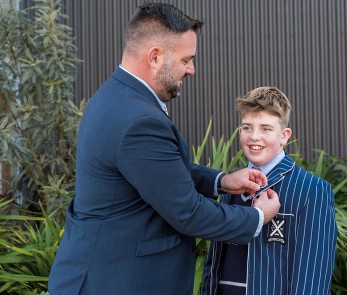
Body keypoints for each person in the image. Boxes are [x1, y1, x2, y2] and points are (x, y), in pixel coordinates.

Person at [48, 3, 281, 295]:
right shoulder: (139, 120)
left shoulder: (115, 96)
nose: (192, 70)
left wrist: (220, 181)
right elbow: (188, 213)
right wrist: (257, 217)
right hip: (120, 281)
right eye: (186, 60)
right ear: (155, 56)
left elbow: (155, 172)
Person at [201, 87, 338, 295]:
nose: (255, 137)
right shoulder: (231, 185)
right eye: (247, 128)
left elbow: (313, 278)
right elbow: (215, 263)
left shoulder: (312, 190)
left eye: (266, 129)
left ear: (284, 136)